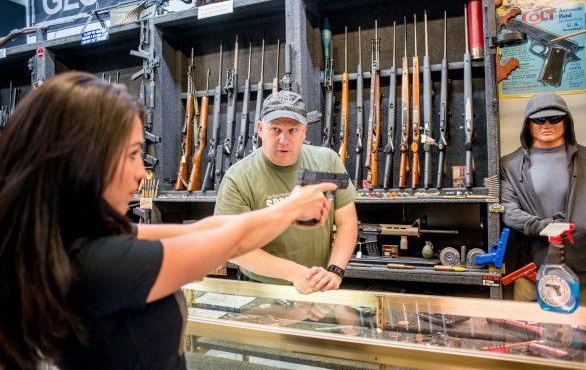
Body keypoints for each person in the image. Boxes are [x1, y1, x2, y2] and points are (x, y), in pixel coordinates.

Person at [0, 72, 337, 370]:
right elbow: (228, 243)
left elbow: (202, 230)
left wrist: (282, 212)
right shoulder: (96, 261)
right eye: (132, 154)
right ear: (83, 158)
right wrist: (289, 209)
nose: (139, 173)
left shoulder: (80, 233)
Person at [215, 90, 358, 294]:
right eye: (275, 130)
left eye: (292, 130)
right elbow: (232, 247)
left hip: (319, 287)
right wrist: (296, 274)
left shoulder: (327, 162)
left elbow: (347, 222)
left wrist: (335, 271)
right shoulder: (237, 177)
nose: (284, 140)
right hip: (261, 290)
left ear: (304, 131)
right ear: (260, 129)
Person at [500, 93, 586, 305]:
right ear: (528, 124)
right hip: (531, 272)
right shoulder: (509, 165)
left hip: (584, 273)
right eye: (539, 119)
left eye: (554, 118)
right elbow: (508, 211)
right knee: (529, 333)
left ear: (566, 121)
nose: (547, 124)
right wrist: (546, 226)